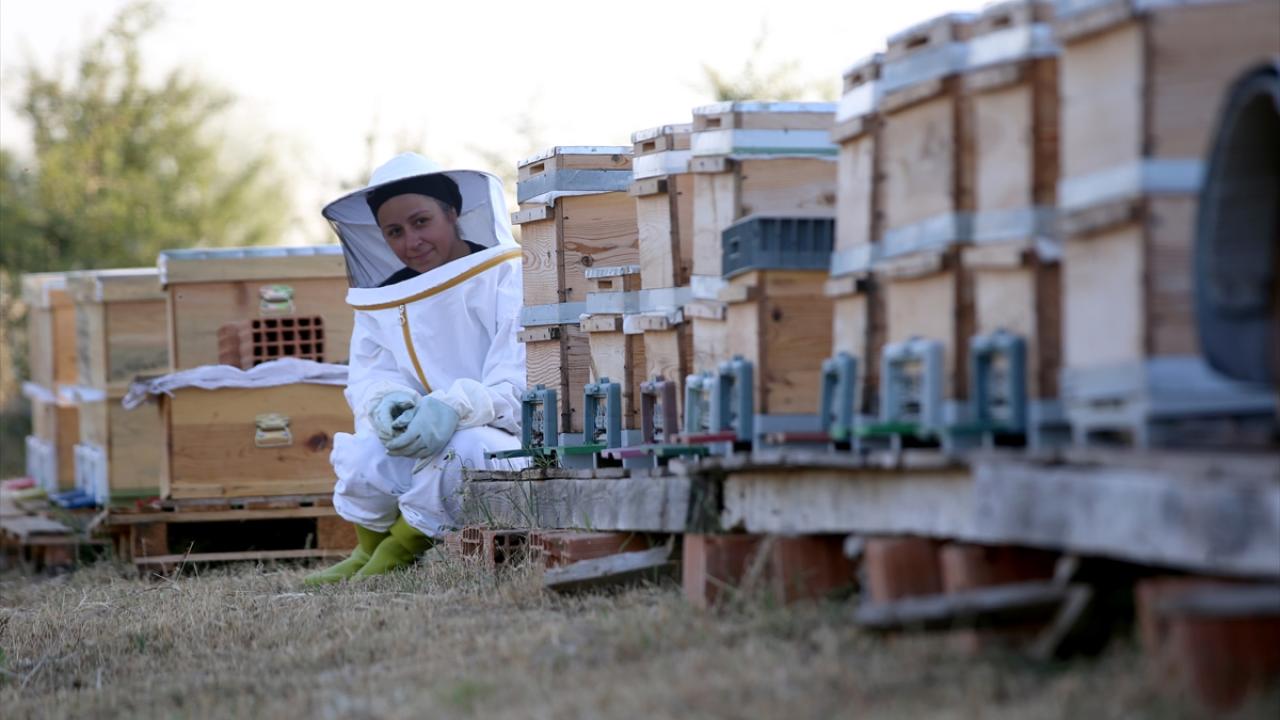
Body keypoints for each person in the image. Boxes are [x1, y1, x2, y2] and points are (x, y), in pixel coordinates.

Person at [305, 153, 525, 584]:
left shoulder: (505, 278)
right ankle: (365, 550)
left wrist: (453, 408)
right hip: (425, 437)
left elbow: (518, 379)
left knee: (465, 450)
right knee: (366, 449)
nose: (411, 241)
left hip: (505, 441)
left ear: (452, 213)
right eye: (395, 231)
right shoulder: (382, 299)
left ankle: (396, 551)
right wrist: (387, 403)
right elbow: (371, 373)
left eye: (421, 222)